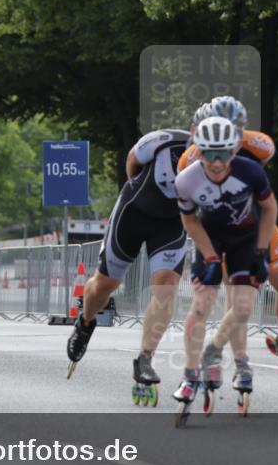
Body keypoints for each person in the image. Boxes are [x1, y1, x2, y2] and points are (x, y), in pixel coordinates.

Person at [180, 95, 278, 396]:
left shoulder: (257, 144)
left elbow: (264, 157)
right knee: (236, 299)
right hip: (219, 230)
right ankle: (236, 362)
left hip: (255, 224)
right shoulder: (190, 158)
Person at [65, 126, 191, 404]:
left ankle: (144, 359)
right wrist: (140, 192)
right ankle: (85, 323)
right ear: (195, 130)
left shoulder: (225, 161)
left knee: (167, 287)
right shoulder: (164, 140)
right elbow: (132, 163)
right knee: (106, 284)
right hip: (133, 213)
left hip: (171, 224)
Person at [173, 115, 278, 415]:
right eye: (208, 153)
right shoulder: (187, 179)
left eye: (223, 154)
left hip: (247, 240)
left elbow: (270, 208)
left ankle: (214, 351)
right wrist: (209, 257)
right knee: (202, 305)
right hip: (211, 237)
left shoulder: (251, 172)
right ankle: (190, 375)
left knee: (243, 308)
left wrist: (260, 250)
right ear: (198, 152)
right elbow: (190, 220)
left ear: (234, 151)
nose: (216, 162)